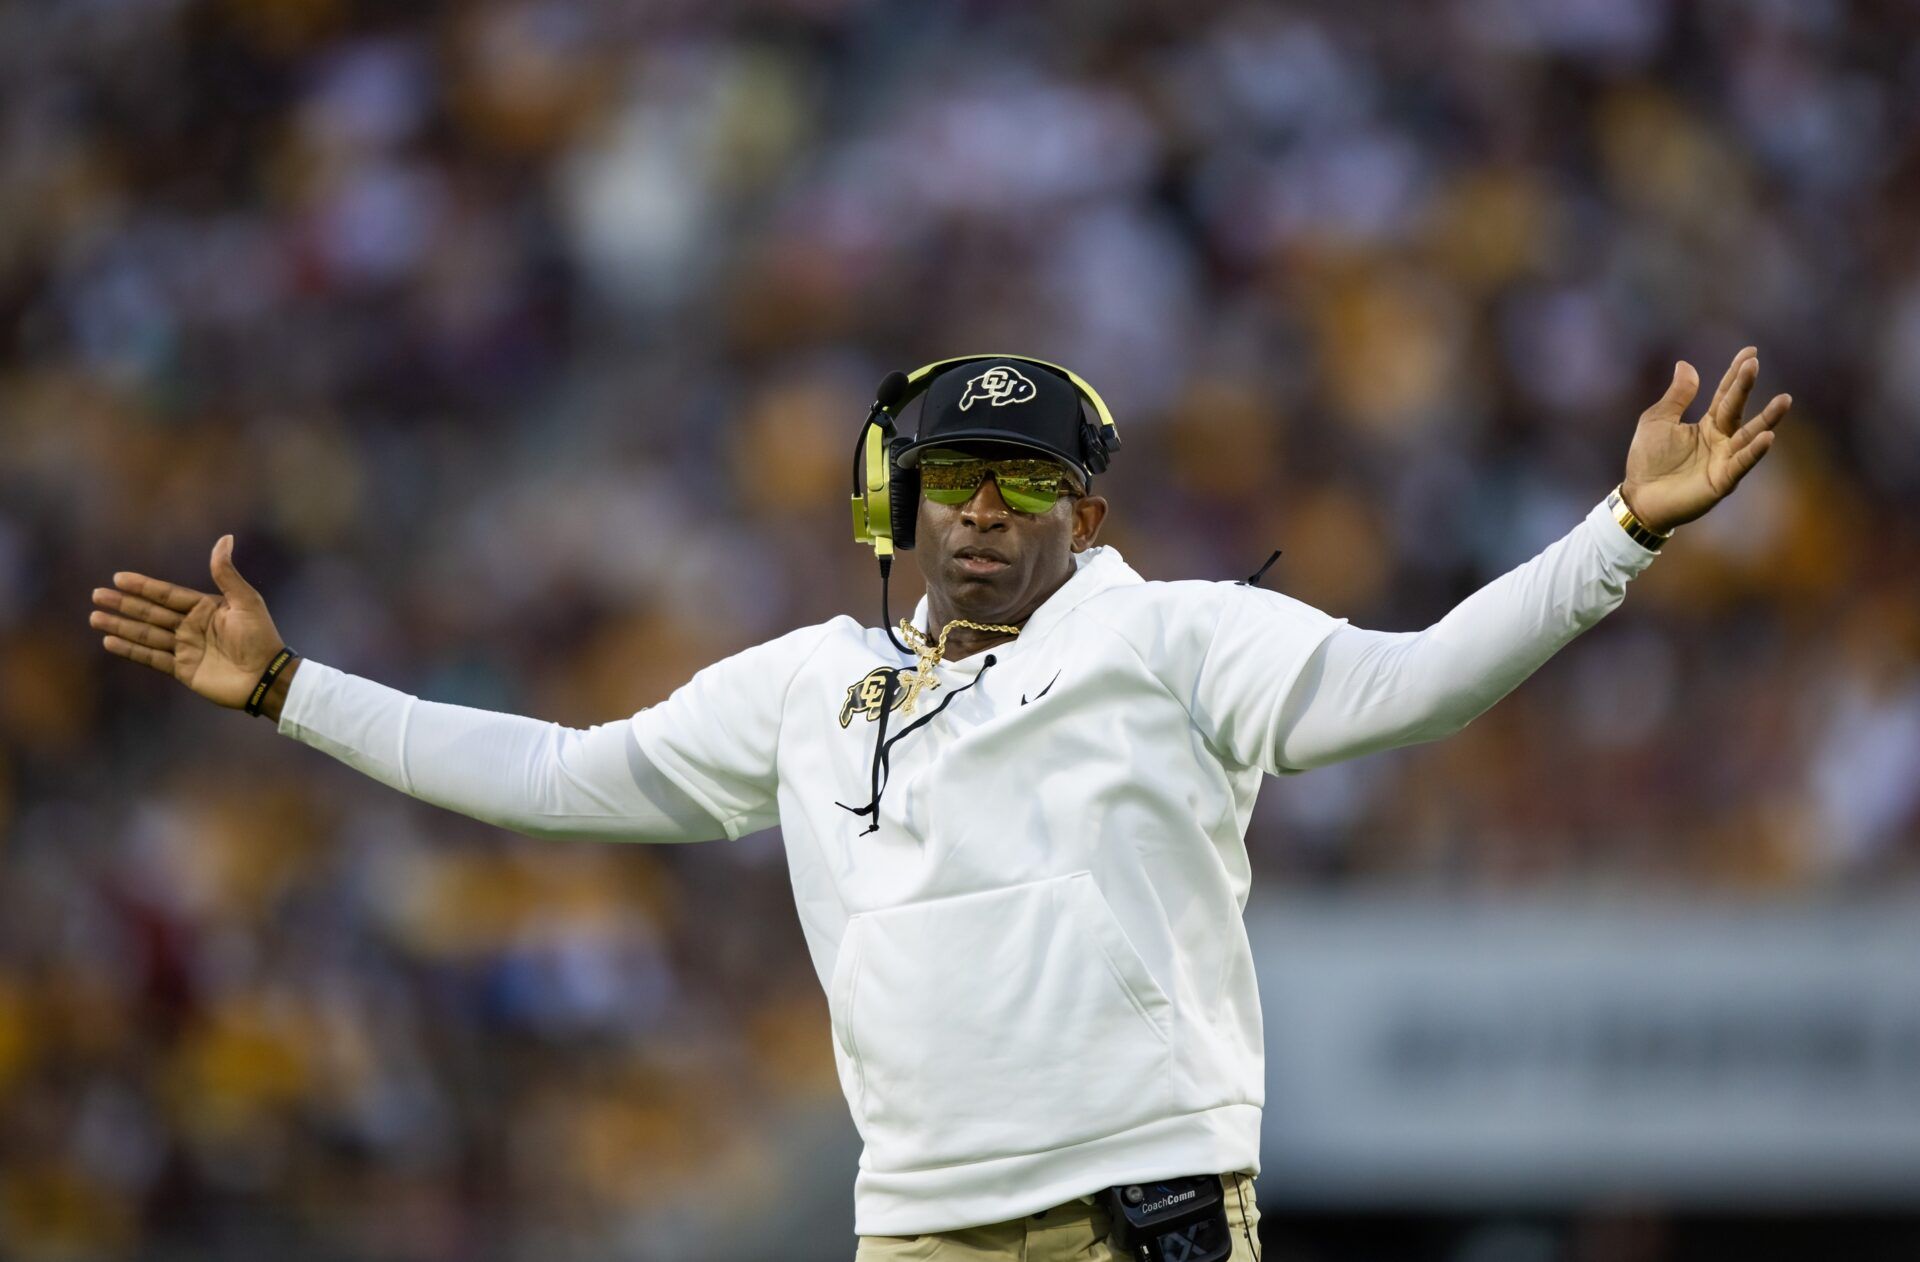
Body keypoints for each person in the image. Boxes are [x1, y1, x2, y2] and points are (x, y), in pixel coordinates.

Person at [91, 350, 1790, 1261]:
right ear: (889, 505)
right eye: (949, 481)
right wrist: (290, 688)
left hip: (1154, 1201)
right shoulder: (803, 683)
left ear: (1088, 509)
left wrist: (1615, 538)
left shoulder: (1174, 631)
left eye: (1024, 483)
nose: (981, 514)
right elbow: (555, 773)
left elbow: (1415, 681)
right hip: (915, 1224)